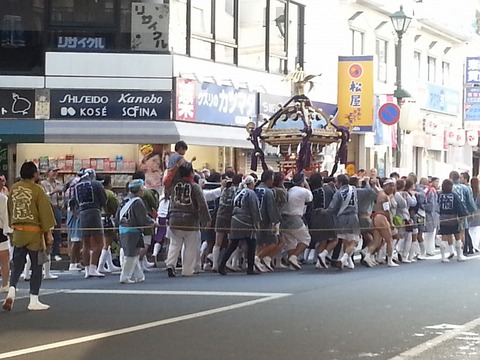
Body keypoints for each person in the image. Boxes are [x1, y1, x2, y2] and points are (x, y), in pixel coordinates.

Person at [3, 161, 56, 311]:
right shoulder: (37, 190)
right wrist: (49, 233)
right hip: (34, 232)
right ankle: (33, 299)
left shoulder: (13, 189)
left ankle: (12, 289)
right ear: (34, 174)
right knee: (36, 265)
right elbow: (45, 214)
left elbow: (10, 210)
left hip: (18, 231)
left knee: (18, 264)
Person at [165, 162, 210, 277]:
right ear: (191, 173)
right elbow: (202, 203)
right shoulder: (195, 186)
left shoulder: (174, 186)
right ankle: (187, 270)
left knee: (174, 244)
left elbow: (170, 202)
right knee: (190, 246)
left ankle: (170, 264)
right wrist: (206, 219)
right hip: (190, 220)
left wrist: (168, 216)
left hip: (174, 218)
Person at [116, 179, 158, 284]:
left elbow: (117, 216)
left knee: (134, 254)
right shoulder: (138, 202)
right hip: (133, 230)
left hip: (123, 229)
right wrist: (152, 222)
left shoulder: (124, 200)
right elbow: (142, 218)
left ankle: (139, 276)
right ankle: (125, 277)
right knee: (131, 255)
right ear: (139, 190)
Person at [218, 175, 260, 275]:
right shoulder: (251, 193)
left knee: (233, 244)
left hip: (235, 219)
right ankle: (250, 268)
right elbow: (254, 209)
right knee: (251, 243)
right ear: (251, 183)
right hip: (246, 220)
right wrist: (256, 222)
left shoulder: (238, 191)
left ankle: (221, 265)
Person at [73, 168, 107, 278]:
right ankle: (93, 267)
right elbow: (103, 199)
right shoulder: (96, 184)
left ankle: (87, 269)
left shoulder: (76, 186)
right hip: (94, 212)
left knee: (86, 244)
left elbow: (73, 202)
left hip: (82, 214)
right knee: (99, 243)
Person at [326, 174, 360, 270]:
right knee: (354, 241)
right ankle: (344, 259)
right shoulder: (353, 189)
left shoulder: (338, 193)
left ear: (340, 183)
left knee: (345, 239)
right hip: (353, 217)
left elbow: (332, 208)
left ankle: (348, 262)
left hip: (340, 218)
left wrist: (324, 212)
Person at [281, 173, 313, 270]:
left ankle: (292, 263)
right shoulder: (304, 191)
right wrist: (307, 185)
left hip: (284, 218)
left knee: (291, 241)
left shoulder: (289, 190)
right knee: (306, 239)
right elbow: (310, 198)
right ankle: (294, 257)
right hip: (295, 218)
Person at [307, 173, 337, 269]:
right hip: (325, 215)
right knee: (334, 239)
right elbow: (335, 200)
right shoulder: (328, 189)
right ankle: (323, 255)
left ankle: (319, 262)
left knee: (322, 240)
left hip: (314, 217)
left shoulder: (311, 192)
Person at [254, 170, 281, 272]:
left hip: (255, 220)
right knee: (273, 241)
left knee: (260, 243)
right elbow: (271, 208)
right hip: (265, 220)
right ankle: (257, 258)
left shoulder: (255, 189)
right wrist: (275, 222)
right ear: (269, 180)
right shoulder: (268, 192)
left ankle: (258, 261)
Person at [132, 171, 159, 271]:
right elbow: (154, 204)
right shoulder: (146, 191)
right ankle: (139, 263)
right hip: (146, 218)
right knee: (146, 242)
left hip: (133, 220)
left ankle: (143, 262)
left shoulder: (130, 192)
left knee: (138, 242)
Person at [438, 179, 468, 262]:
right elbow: (459, 206)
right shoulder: (454, 195)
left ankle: (443, 257)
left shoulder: (440, 195)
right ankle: (459, 255)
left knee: (444, 236)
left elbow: (437, 207)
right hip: (453, 218)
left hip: (443, 218)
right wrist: (463, 215)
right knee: (457, 236)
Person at [370, 178, 398, 267]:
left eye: (393, 186)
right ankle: (390, 260)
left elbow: (377, 189)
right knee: (389, 239)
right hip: (381, 217)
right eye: (391, 186)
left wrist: (375, 185)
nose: (392, 188)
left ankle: (367, 255)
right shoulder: (385, 196)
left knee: (377, 241)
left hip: (376, 217)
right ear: (386, 186)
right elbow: (387, 211)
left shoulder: (381, 193)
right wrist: (391, 222)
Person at [97, 175, 121, 273]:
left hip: (99, 217)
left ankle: (109, 265)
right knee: (107, 243)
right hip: (108, 218)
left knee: (105, 243)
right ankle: (101, 265)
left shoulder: (97, 192)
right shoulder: (110, 194)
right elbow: (116, 207)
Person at [40, 166, 63, 262]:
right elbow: (44, 196)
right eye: (53, 172)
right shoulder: (42, 184)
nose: (55, 174)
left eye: (56, 172)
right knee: (48, 230)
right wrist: (54, 191)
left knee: (57, 230)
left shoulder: (59, 183)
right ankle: (45, 251)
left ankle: (56, 253)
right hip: (47, 208)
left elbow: (62, 197)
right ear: (48, 172)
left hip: (56, 207)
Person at [63, 169, 84, 271]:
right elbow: (72, 199)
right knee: (76, 239)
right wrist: (74, 211)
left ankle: (76, 262)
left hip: (72, 211)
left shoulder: (72, 182)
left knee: (77, 239)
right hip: (75, 212)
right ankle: (72, 263)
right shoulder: (77, 183)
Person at [0, 188, 12, 292]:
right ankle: (4, 284)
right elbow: (5, 216)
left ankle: (5, 284)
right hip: (0, 231)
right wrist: (8, 231)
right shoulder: (3, 198)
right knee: (4, 259)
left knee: (5, 259)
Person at [468, 177, 480, 252]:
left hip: (470, 212)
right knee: (477, 230)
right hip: (478, 212)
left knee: (470, 229)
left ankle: (471, 245)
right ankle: (475, 245)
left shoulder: (469, 191)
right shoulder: (479, 192)